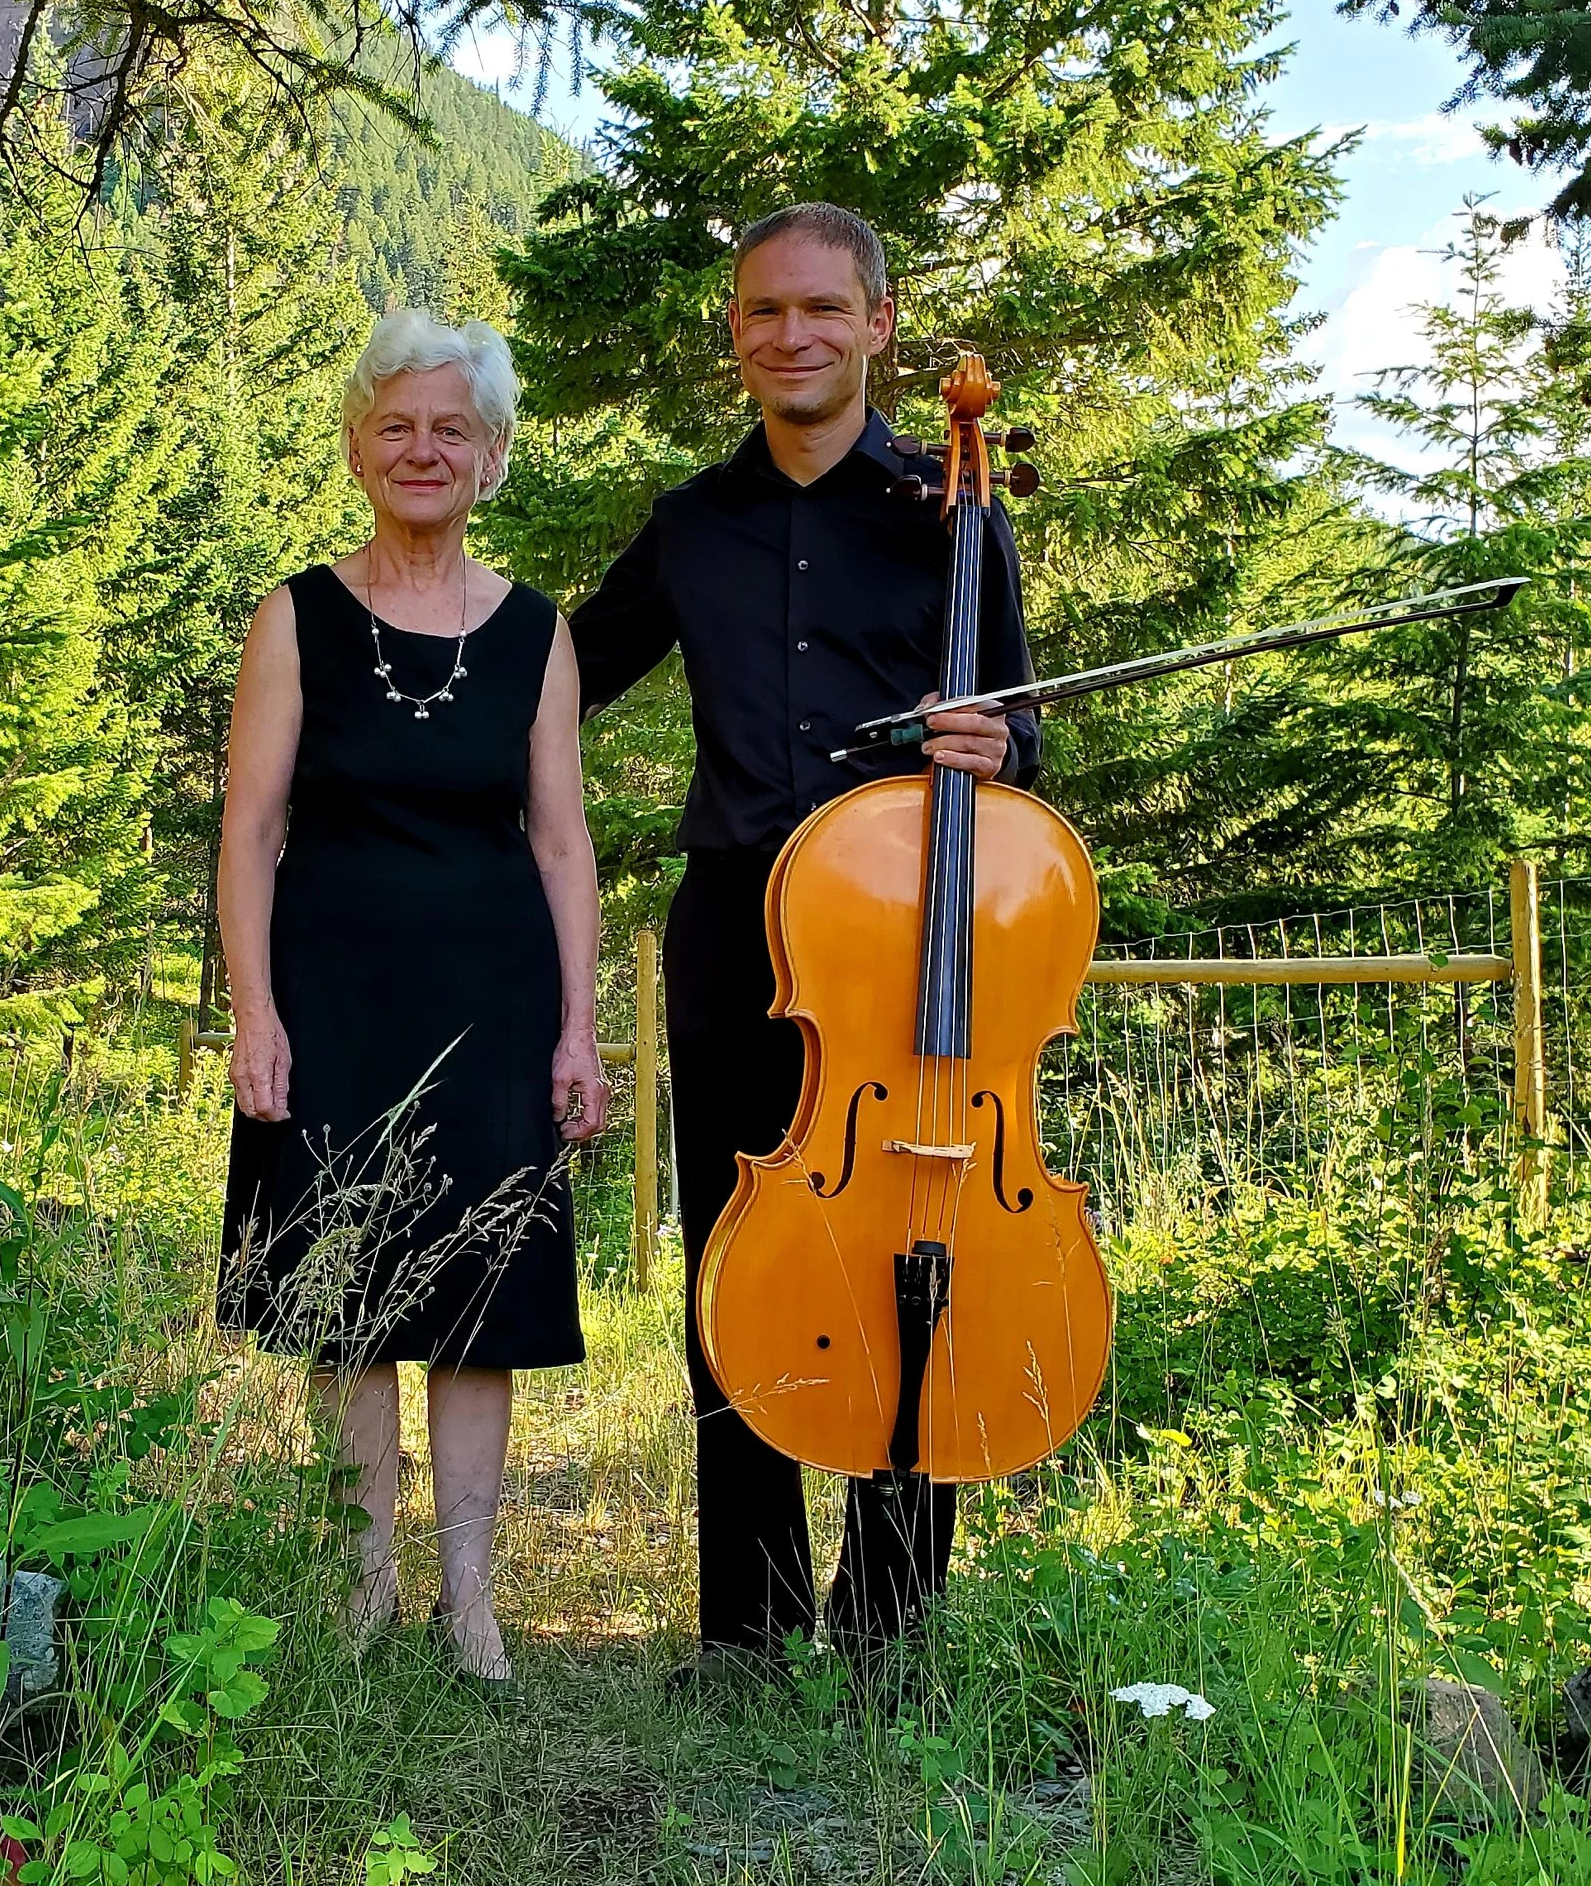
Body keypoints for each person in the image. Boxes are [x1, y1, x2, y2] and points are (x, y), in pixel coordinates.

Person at [570, 205, 1037, 1668]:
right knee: (739, 1257)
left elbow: (1019, 728)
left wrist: (997, 747)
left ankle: (895, 1614)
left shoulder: (956, 512)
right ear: (736, 336)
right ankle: (749, 1625)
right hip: (732, 931)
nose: (793, 336)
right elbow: (568, 672)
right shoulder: (692, 524)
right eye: (765, 313)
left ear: (879, 324)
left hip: (908, 931)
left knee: (920, 1252)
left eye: (824, 311)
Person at [218, 311, 610, 1683]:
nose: (423, 449)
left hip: (495, 1002)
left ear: (492, 458)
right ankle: (365, 1589)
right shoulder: (298, 616)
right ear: (355, 449)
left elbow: (563, 844)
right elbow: (250, 833)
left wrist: (578, 1028)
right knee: (344, 1300)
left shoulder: (538, 635)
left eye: (452, 429)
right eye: (397, 426)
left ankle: (473, 1602)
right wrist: (255, 1012)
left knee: (479, 1300)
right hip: (333, 997)